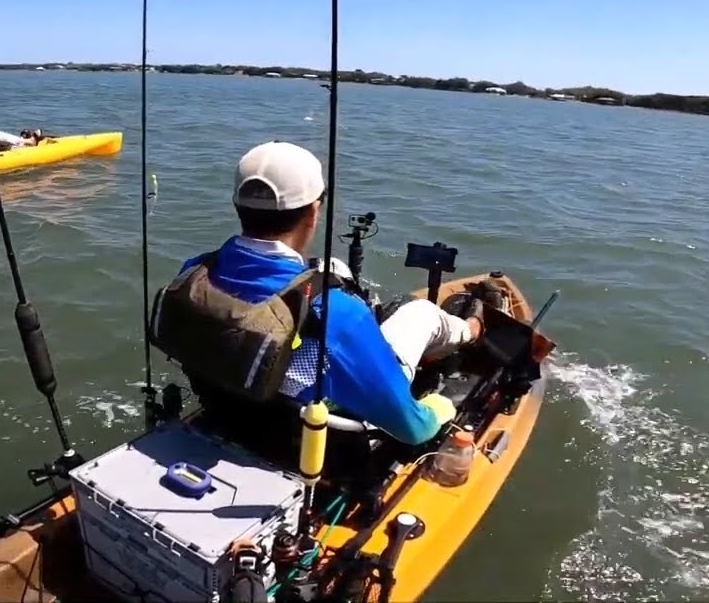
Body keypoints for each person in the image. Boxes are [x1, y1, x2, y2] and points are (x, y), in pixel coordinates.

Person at [151, 141, 486, 445]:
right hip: (308, 434)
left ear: (237, 204)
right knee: (421, 314)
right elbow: (413, 429)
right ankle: (472, 329)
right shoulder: (336, 313)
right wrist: (442, 406)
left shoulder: (195, 272)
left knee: (331, 266)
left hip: (228, 403)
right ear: (314, 211)